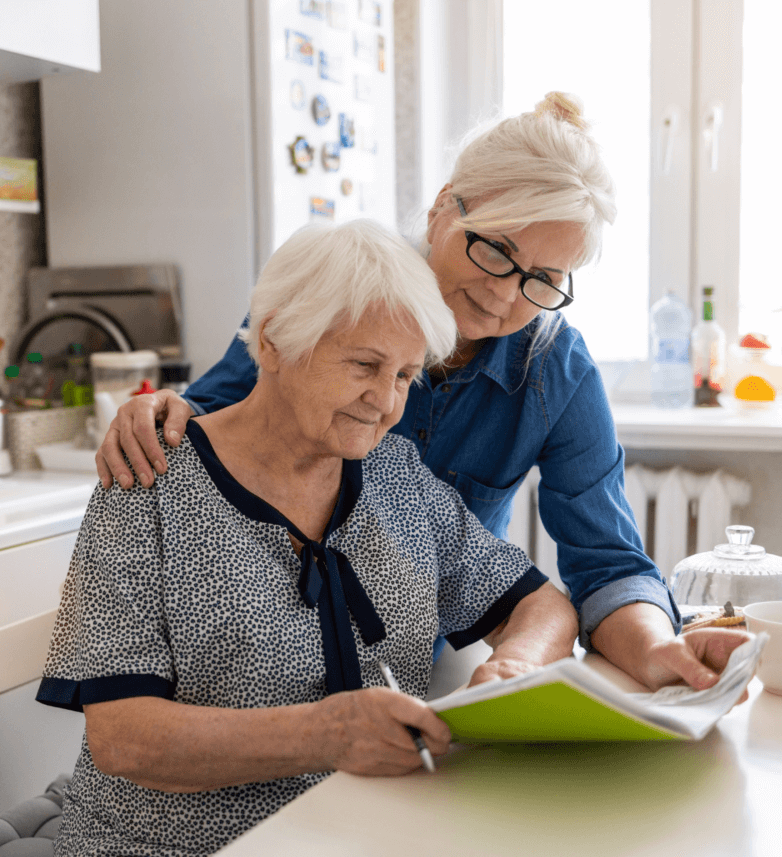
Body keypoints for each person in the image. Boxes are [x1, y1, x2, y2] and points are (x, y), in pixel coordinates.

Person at [95, 92, 753, 695]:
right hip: (260, 665)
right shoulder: (336, 290)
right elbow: (211, 421)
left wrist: (659, 647)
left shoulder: (557, 368)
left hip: (418, 667)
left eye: (543, 278)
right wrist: (159, 411)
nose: (502, 293)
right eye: (495, 249)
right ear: (443, 209)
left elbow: (608, 563)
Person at [36, 219, 584, 856]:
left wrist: (512, 667)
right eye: (364, 365)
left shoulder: (394, 475)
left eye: (406, 376)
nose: (384, 401)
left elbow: (541, 605)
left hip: (361, 835)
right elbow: (124, 738)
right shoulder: (150, 479)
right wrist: (327, 733)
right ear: (273, 342)